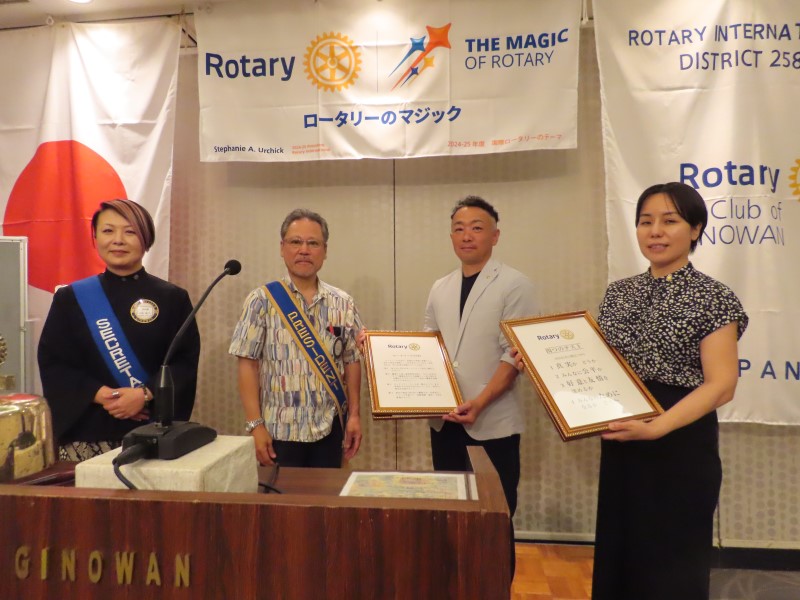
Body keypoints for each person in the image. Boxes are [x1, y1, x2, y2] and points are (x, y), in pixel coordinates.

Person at [590, 182, 748, 599]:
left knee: (670, 566)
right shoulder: (619, 293)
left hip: (680, 443)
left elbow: (722, 385)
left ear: (695, 229)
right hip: (625, 439)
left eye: (669, 221)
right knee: (622, 554)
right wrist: (540, 362)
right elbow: (599, 368)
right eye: (645, 221)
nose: (655, 231)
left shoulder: (713, 297)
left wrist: (657, 427)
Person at [424, 195, 537, 574]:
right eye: (459, 229)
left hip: (492, 423)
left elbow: (514, 356)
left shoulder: (515, 284)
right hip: (444, 423)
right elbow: (429, 347)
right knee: (450, 516)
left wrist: (480, 402)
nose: (467, 235)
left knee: (494, 520)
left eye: (476, 228)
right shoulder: (440, 287)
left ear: (495, 236)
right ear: (451, 237)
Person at [38, 199, 200, 462]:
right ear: (95, 238)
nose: (118, 240)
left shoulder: (173, 298)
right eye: (108, 231)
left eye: (130, 232)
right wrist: (102, 395)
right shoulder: (71, 298)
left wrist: (145, 394)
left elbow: (184, 363)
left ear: (146, 238)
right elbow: (54, 363)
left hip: (152, 432)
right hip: (87, 432)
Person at [229, 208, 363, 468]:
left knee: (329, 494)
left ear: (325, 250)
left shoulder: (343, 302)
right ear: (282, 248)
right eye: (295, 242)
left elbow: (352, 360)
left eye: (313, 243)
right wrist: (255, 425)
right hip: (278, 431)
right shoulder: (261, 300)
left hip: (330, 428)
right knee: (281, 496)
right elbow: (247, 365)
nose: (304, 250)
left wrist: (355, 416)